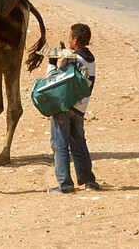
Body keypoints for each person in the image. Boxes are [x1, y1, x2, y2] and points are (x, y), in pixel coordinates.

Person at [47, 23, 100, 193]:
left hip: (64, 106)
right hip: (80, 107)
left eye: (70, 37)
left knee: (60, 143)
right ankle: (88, 181)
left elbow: (52, 80)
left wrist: (52, 62)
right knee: (79, 144)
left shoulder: (72, 59)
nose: (69, 40)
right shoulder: (90, 60)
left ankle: (65, 184)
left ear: (75, 40)